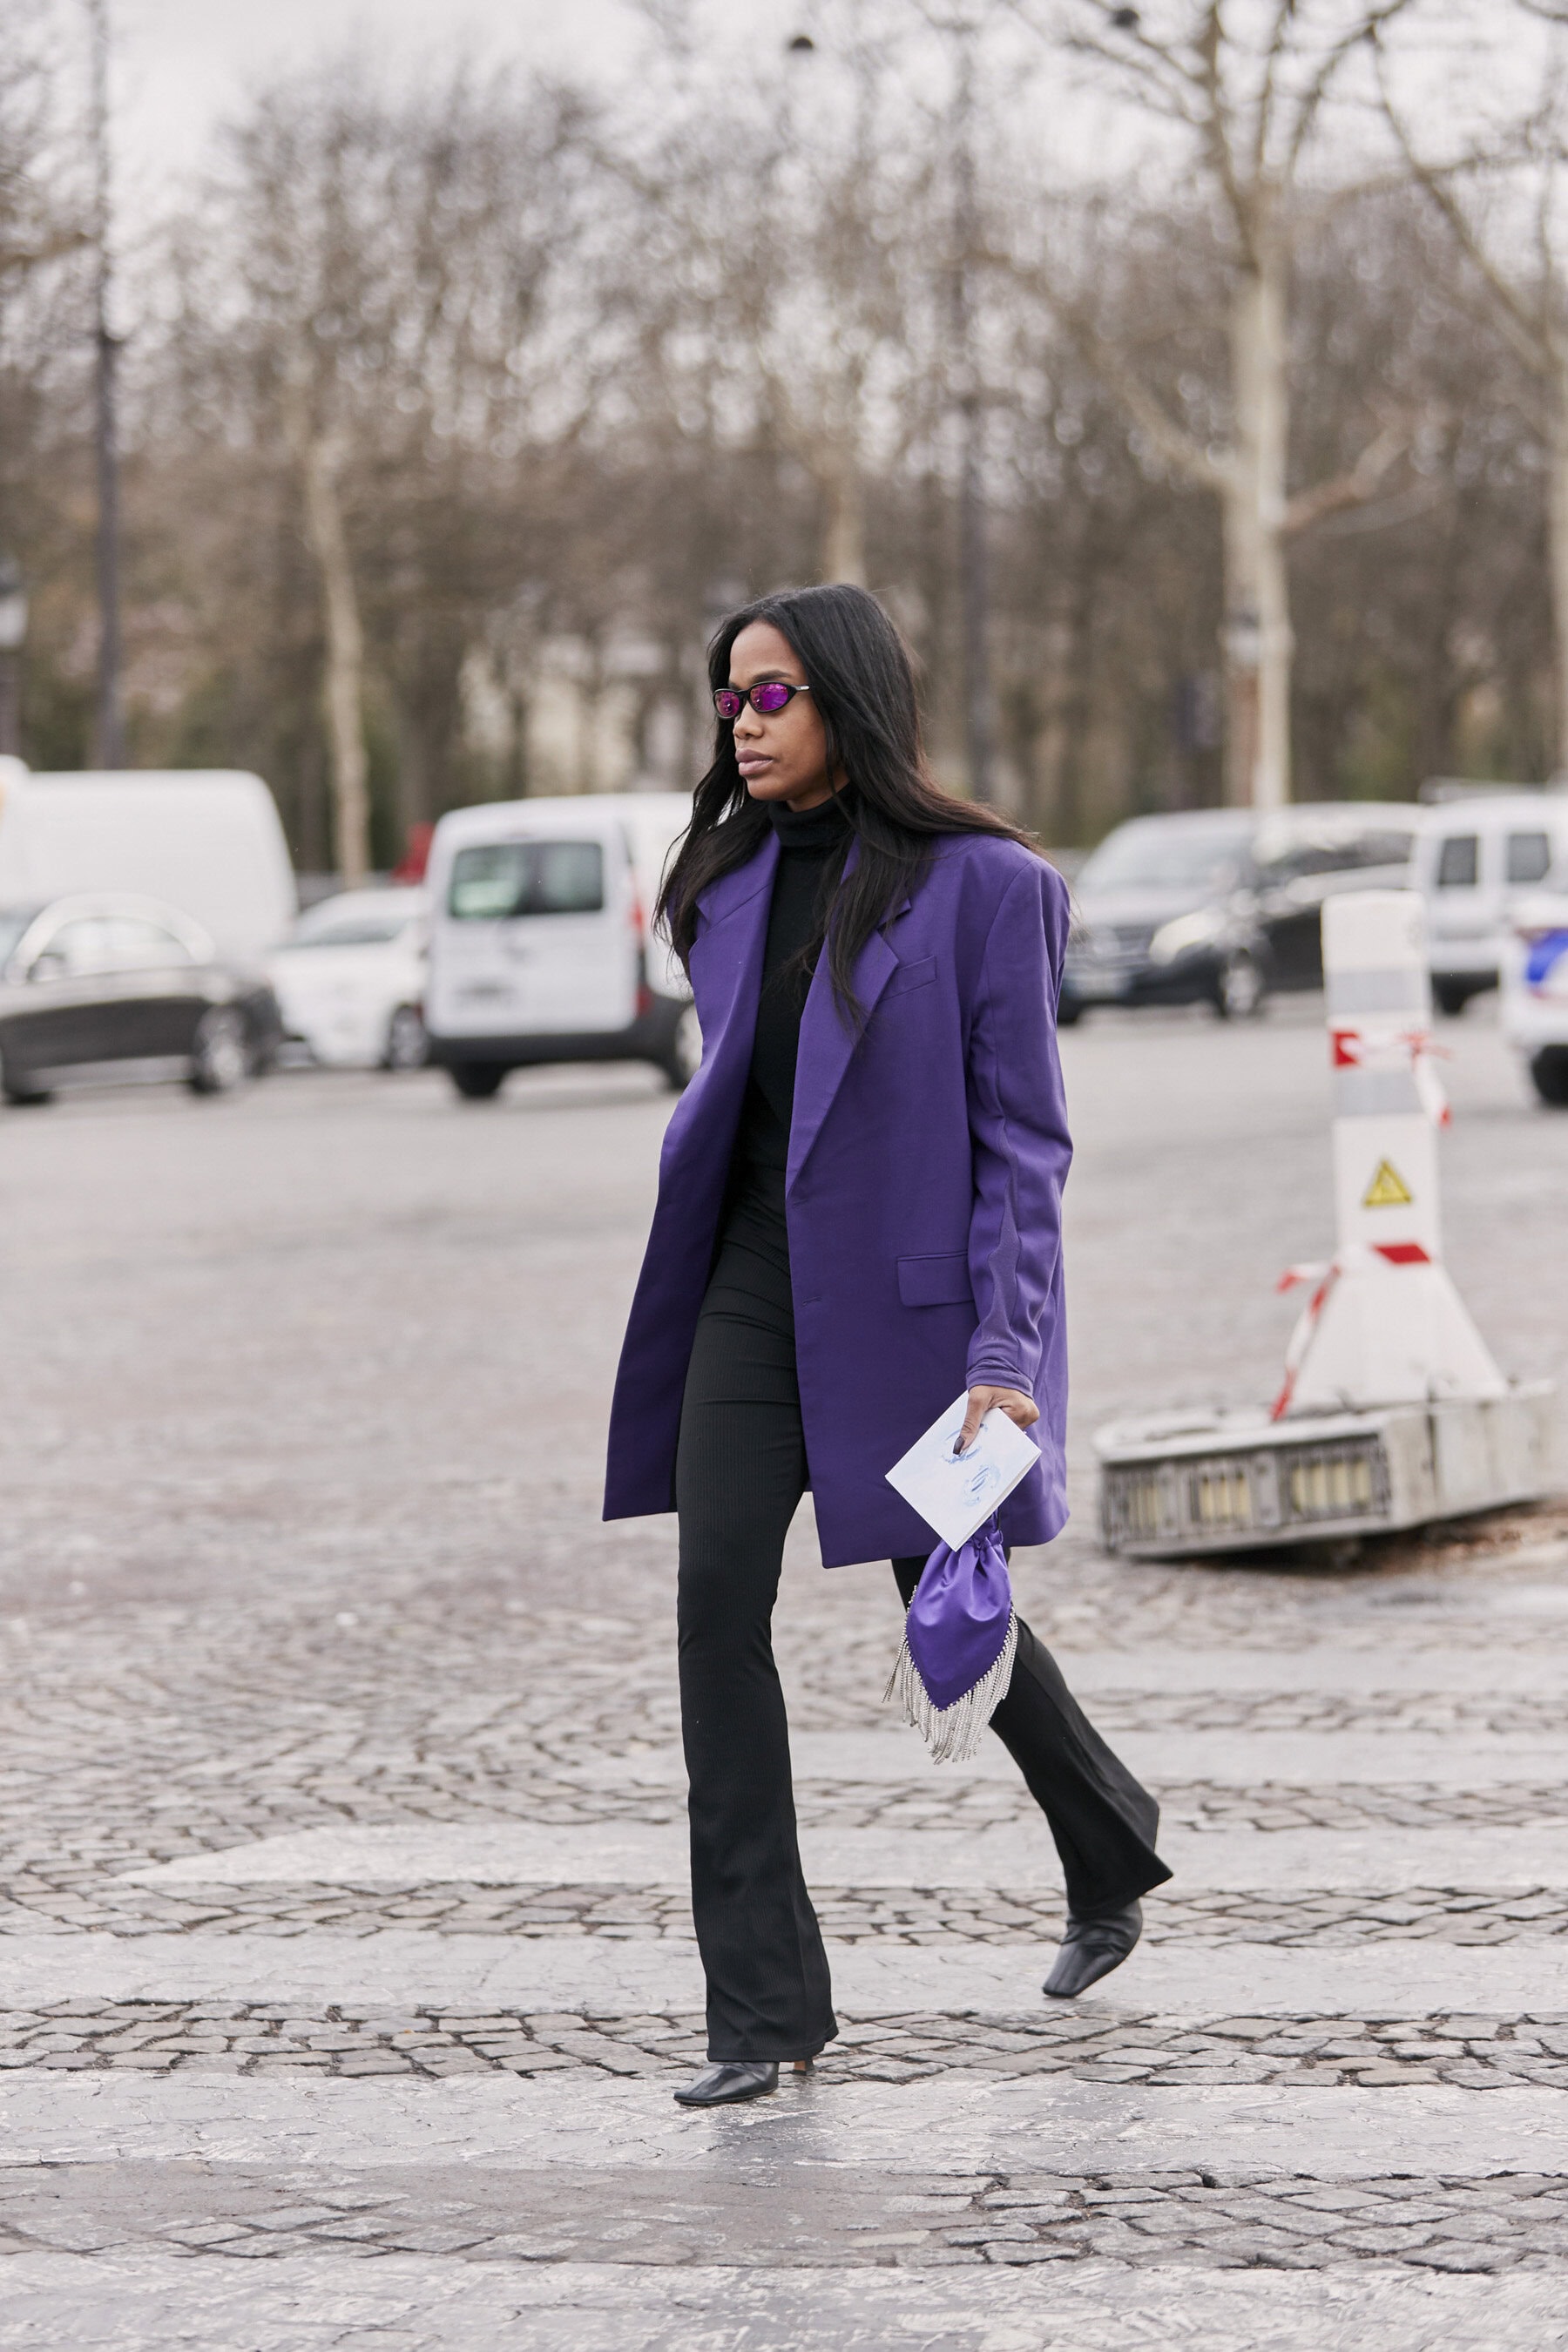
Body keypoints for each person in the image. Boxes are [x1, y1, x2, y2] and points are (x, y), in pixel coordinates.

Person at [605, 584, 1171, 2108]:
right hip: (746, 1298)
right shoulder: (720, 883)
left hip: (916, 1320)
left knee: (954, 1602)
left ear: (849, 699)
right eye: (730, 699)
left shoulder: (988, 888)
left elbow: (1024, 1146)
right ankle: (764, 2008)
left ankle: (1108, 1843)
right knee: (714, 1603)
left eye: (773, 695)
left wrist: (1006, 1352)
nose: (745, 723)